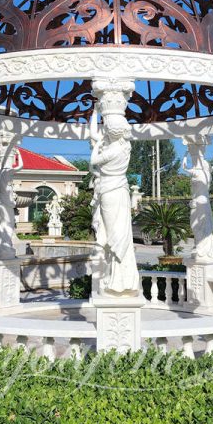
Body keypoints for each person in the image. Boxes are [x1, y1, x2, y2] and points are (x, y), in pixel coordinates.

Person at [89, 108, 139, 295]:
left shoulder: (113, 150)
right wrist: (96, 113)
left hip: (110, 193)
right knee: (120, 234)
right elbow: (95, 133)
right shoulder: (125, 146)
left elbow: (94, 160)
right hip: (121, 191)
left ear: (110, 132)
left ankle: (119, 281)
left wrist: (96, 144)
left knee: (114, 237)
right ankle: (121, 279)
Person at [182, 140, 213, 262]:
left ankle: (202, 247)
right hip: (195, 202)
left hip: (203, 202)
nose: (196, 161)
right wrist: (186, 153)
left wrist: (196, 153)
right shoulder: (195, 172)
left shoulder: (205, 174)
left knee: (202, 224)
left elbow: (200, 162)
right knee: (194, 225)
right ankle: (198, 244)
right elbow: (184, 167)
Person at [0, 148, 23, 259]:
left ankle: (0, 248)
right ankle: (5, 248)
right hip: (5, 205)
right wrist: (18, 154)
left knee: (0, 227)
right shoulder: (8, 171)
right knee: (8, 225)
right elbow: (20, 166)